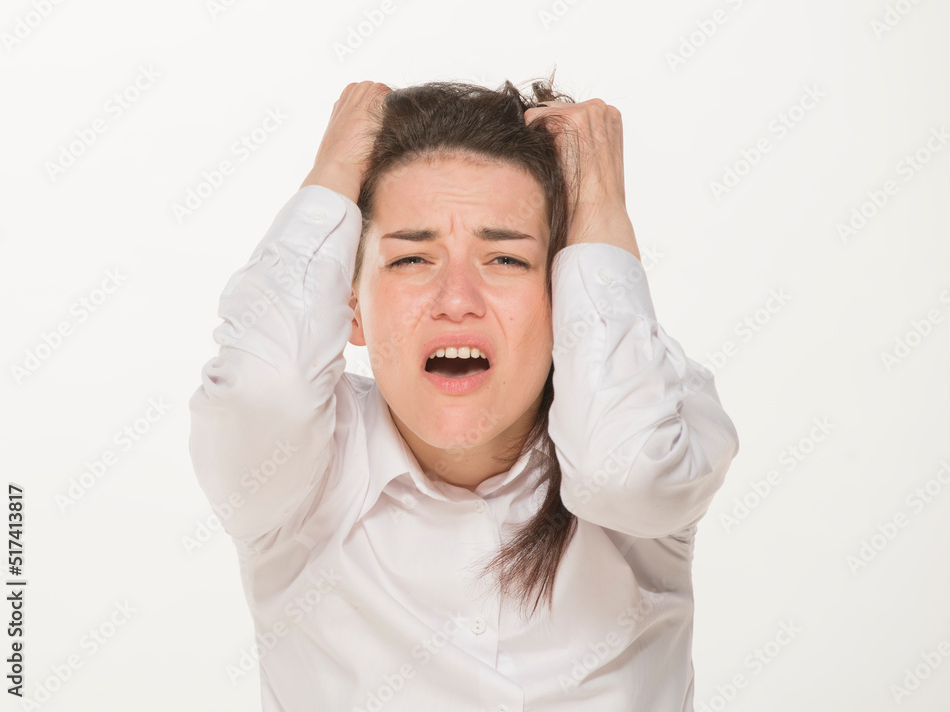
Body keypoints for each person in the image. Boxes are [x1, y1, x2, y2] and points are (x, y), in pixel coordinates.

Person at [188, 75, 740, 712]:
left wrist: (600, 210)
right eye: (411, 260)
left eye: (505, 260)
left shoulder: (652, 412)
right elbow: (261, 392)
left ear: (567, 297)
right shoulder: (297, 474)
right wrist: (335, 166)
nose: (456, 301)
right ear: (351, 308)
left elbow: (630, 473)